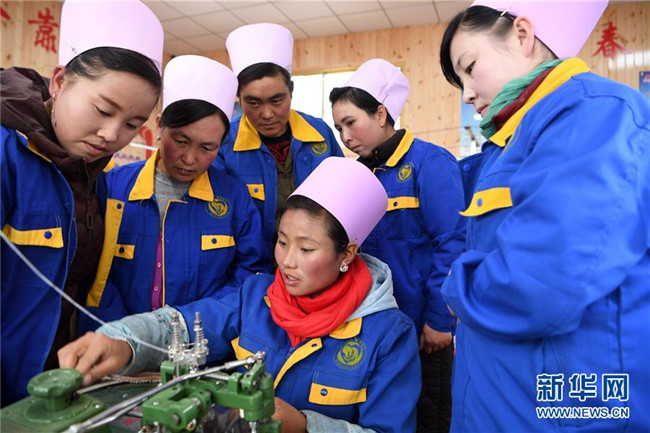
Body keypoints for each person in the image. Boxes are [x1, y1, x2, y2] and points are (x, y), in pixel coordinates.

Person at [59, 157, 421, 433]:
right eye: (282, 242)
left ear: (347, 254)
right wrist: (124, 342)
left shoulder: (388, 335)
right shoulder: (256, 296)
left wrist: (305, 425)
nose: (287, 261)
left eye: (307, 249)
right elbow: (181, 325)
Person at [438, 1, 650, 432]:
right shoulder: (508, 143)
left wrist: (457, 286)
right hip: (503, 398)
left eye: (470, 68)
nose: (468, 94)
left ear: (522, 34)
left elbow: (544, 278)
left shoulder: (594, 111)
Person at [0, 0, 163, 406]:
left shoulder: (93, 177)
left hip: (54, 383)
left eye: (132, 124)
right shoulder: (7, 156)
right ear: (59, 81)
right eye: (103, 110)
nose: (111, 135)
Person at [78, 55, 267, 334]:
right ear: (159, 126)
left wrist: (191, 327)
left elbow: (250, 274)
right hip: (115, 339)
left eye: (207, 148)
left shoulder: (233, 197)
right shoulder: (113, 188)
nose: (190, 159)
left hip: (202, 341)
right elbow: (93, 273)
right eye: (180, 141)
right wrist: (126, 334)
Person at [330, 59, 465, 433]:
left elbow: (453, 243)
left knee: (428, 416)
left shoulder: (429, 163)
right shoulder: (355, 175)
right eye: (339, 128)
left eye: (351, 122)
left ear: (380, 113)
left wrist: (440, 320)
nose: (345, 136)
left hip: (422, 329)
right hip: (370, 327)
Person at [214, 23, 344, 266]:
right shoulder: (223, 143)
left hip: (316, 265)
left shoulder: (320, 134)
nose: (267, 114)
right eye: (253, 103)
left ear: (291, 92)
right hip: (251, 267)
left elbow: (343, 199)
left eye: (277, 101)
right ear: (239, 98)